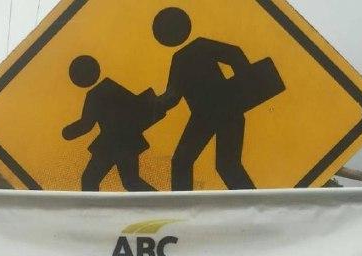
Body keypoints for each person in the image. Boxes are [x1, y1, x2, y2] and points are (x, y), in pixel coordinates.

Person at [153, 6, 257, 191]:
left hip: (222, 111)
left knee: (218, 165)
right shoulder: (188, 53)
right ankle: (184, 209)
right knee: (193, 163)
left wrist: (242, 87)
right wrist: (152, 103)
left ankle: (255, 206)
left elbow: (235, 54)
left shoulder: (192, 51)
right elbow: (173, 96)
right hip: (209, 115)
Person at [63, 55, 162, 191]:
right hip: (128, 142)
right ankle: (163, 201)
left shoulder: (94, 95)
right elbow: (134, 104)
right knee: (130, 181)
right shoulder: (111, 86)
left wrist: (66, 133)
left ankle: (163, 200)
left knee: (90, 179)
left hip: (110, 144)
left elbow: (86, 125)